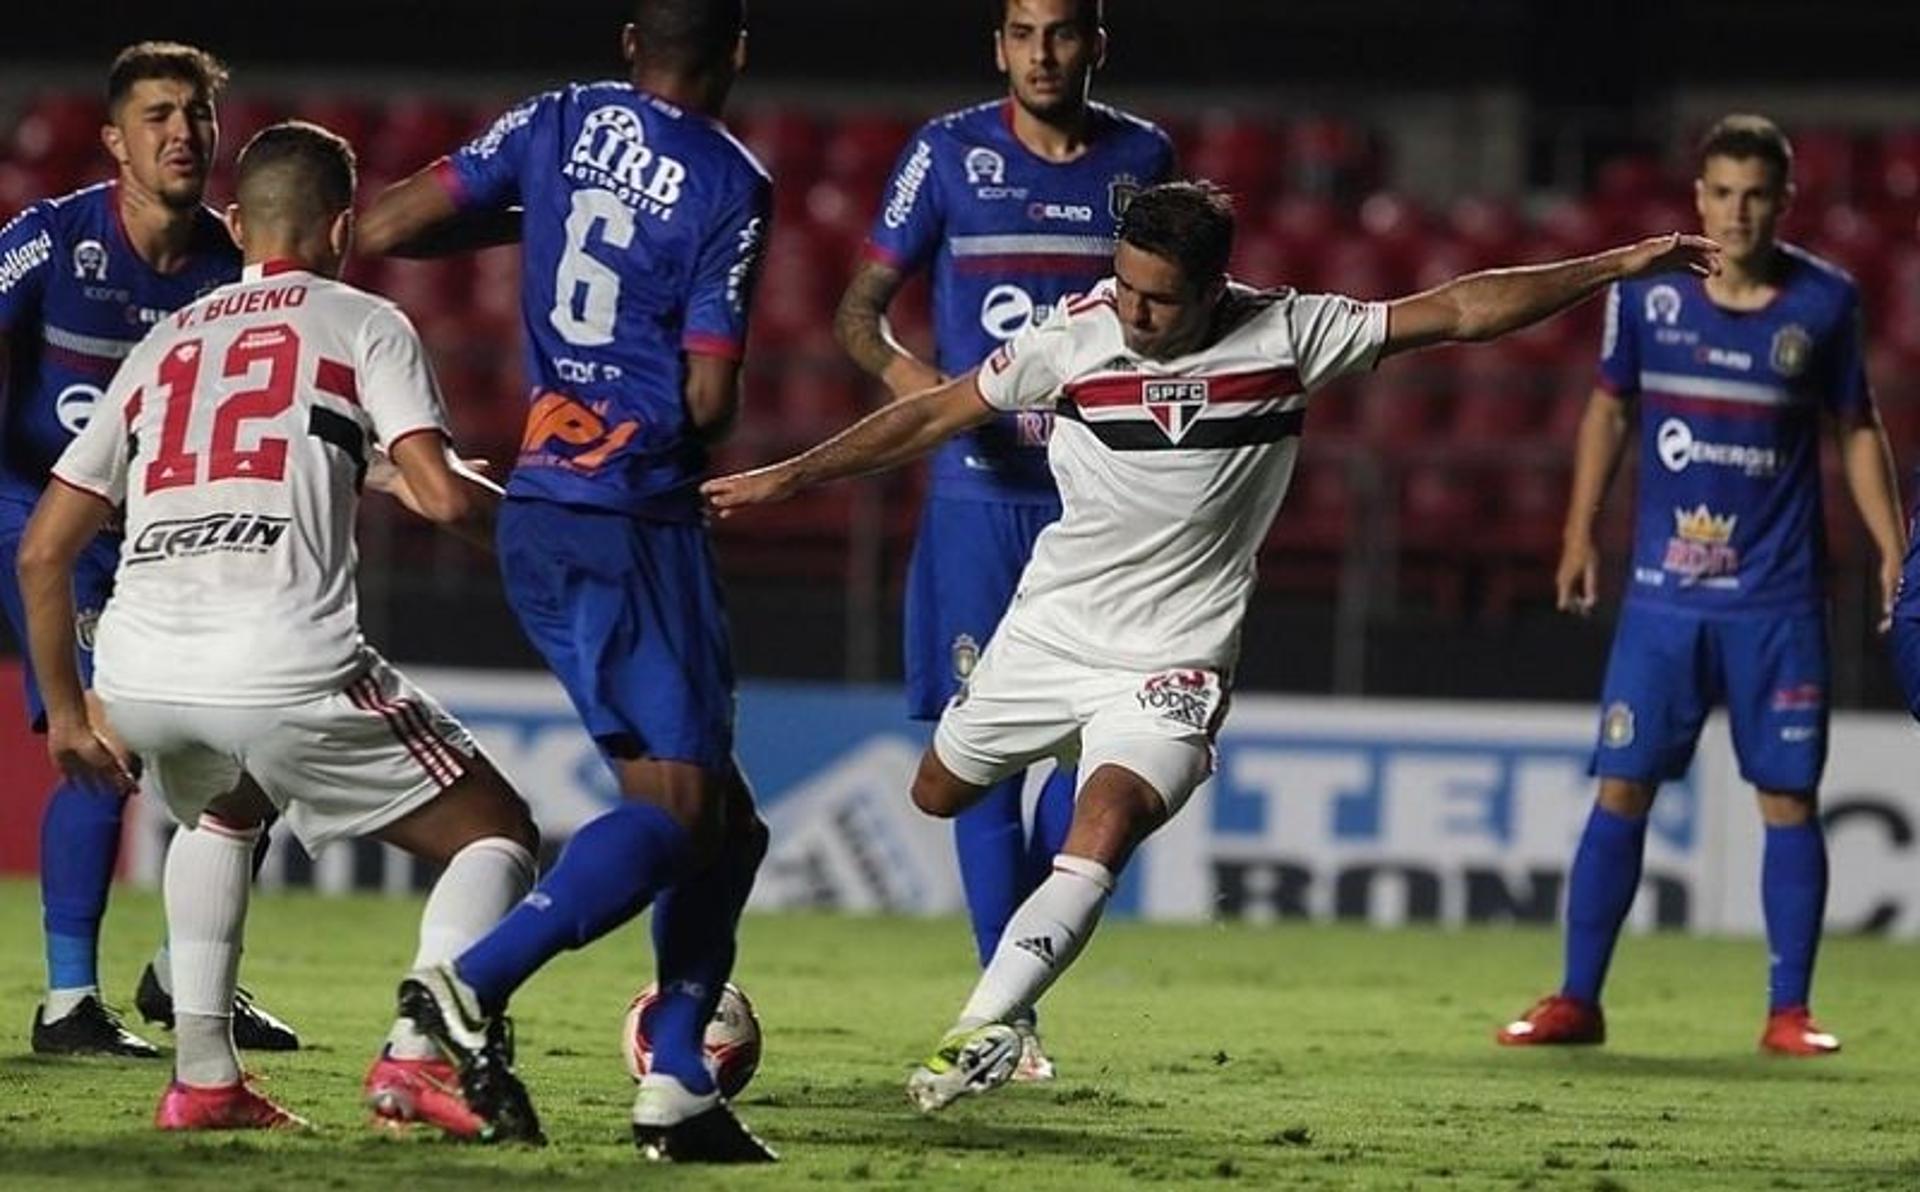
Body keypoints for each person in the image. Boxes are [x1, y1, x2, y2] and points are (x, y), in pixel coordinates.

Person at [704, 180, 1720, 1111]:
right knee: (938, 791)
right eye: (1127, 286)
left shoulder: (1290, 333)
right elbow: (933, 414)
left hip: (1173, 661)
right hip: (1051, 632)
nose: (1135, 312)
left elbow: (1460, 308)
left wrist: (1617, 263)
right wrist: (786, 477)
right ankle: (1069, 777)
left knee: (1102, 824)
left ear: (1213, 290)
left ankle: (985, 1025)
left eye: (1159, 299)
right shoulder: (1075, 337)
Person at [18, 120, 540, 1134]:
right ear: (344, 227)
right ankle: (417, 1058)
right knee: (499, 834)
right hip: (280, 659)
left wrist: (70, 710)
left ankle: (204, 1079)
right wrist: (545, 542)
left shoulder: (168, 338)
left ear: (233, 222)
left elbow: (42, 549)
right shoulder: (364, 321)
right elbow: (437, 494)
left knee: (227, 806)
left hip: (138, 669)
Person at [356, 0, 775, 1162]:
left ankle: (679, 1084)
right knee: (681, 814)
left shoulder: (555, 120)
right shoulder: (730, 180)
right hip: (635, 515)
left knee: (726, 825)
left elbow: (388, 220)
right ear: (736, 53)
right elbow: (707, 399)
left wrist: (539, 223)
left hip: (539, 506)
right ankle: (460, 988)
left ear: (632, 42)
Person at [1497, 115, 1903, 1057]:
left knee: (1789, 801)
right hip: (1663, 600)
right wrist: (1576, 534)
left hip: (1779, 603)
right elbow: (1609, 409)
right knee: (1622, 790)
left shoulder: (1826, 304)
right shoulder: (1650, 301)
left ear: (1783, 201)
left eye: (1756, 194)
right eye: (1722, 192)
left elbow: (1855, 427)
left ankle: (1788, 1013)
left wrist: (1891, 548)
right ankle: (1577, 1001)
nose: (1738, 212)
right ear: (1699, 199)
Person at [834, 0, 1172, 1081]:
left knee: (1092, 745)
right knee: (980, 765)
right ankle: (1008, 1018)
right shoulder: (945, 152)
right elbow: (857, 311)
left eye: (1063, 32)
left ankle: (1008, 993)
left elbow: (1182, 312)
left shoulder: (1144, 159)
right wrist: (932, 393)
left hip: (1102, 507)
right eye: (1023, 32)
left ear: (1095, 45)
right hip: (978, 498)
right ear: (998, 45)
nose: (1042, 52)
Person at [0, 40, 297, 1058]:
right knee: (101, 739)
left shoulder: (232, 271)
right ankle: (66, 1003)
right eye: (159, 116)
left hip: (165, 531)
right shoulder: (47, 241)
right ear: (114, 142)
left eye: (196, 117)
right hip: (42, 510)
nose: (182, 133)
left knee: (257, 731)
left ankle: (186, 975)